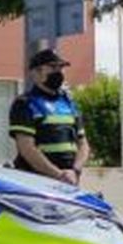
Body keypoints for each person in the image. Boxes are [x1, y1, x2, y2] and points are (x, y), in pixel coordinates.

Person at [10, 49, 90, 184]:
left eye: (61, 68)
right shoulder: (25, 103)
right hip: (36, 181)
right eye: (53, 67)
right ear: (36, 73)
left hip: (69, 181)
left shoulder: (69, 103)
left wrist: (75, 171)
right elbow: (27, 148)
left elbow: (83, 144)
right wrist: (58, 174)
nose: (58, 72)